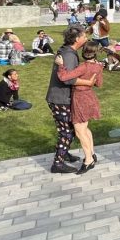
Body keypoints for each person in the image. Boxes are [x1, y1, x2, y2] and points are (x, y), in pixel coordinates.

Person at [45, 26, 97, 174]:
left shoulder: (67, 51)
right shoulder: (68, 55)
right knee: (67, 132)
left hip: (59, 97)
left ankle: (64, 152)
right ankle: (58, 163)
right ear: (76, 39)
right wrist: (88, 83)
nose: (86, 39)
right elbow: (68, 79)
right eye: (84, 36)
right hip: (61, 98)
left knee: (67, 129)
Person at [56, 43, 104, 174]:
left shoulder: (83, 66)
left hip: (80, 99)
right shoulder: (98, 66)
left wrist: (61, 65)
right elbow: (99, 84)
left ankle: (88, 160)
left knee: (79, 131)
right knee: (85, 128)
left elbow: (63, 77)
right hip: (90, 98)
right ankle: (92, 154)